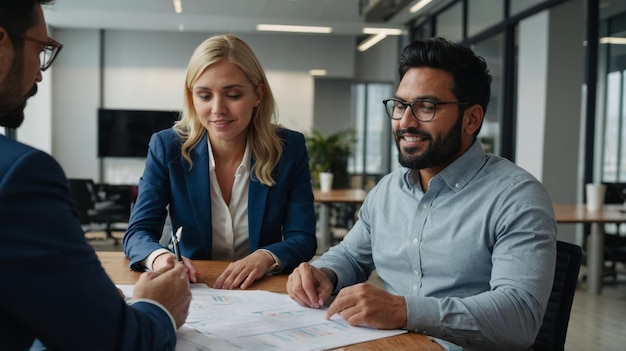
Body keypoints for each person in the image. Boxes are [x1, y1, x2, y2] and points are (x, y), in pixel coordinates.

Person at [286, 37, 557, 351]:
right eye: (400, 105)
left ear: (472, 118)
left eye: (426, 107)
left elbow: (519, 317)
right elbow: (351, 255)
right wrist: (325, 274)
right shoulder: (388, 190)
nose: (405, 121)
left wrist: (405, 310)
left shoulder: (516, 197)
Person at [0, 1, 192, 349]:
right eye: (41, 49)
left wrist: (79, 303)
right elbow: (112, 341)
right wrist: (157, 308)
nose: (41, 73)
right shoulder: (20, 174)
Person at [123, 34, 317, 290]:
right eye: (204, 96)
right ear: (192, 97)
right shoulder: (167, 147)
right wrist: (161, 259)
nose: (218, 109)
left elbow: (302, 237)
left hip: (261, 288)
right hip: (194, 285)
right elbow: (137, 233)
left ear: (258, 94)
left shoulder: (288, 149)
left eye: (233, 95)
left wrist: (265, 257)